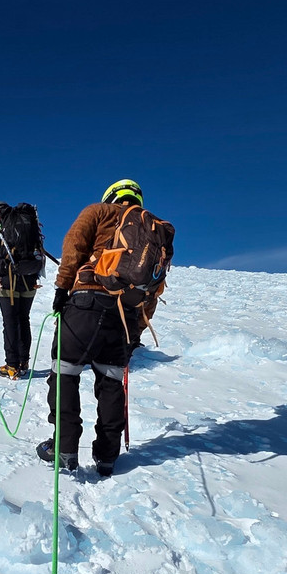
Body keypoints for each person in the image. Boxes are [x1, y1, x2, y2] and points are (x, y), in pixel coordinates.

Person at [37, 179, 173, 476]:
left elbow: (74, 244)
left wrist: (62, 287)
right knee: (111, 383)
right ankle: (107, 455)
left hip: (85, 303)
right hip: (123, 317)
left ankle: (64, 448)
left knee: (64, 373)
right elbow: (153, 288)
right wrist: (135, 332)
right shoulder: (152, 232)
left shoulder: (98, 212)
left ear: (111, 196)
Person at [0, 200, 43, 379]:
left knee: (10, 321)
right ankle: (23, 362)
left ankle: (12, 365)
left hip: (7, 280)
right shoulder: (28, 220)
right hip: (29, 278)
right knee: (24, 319)